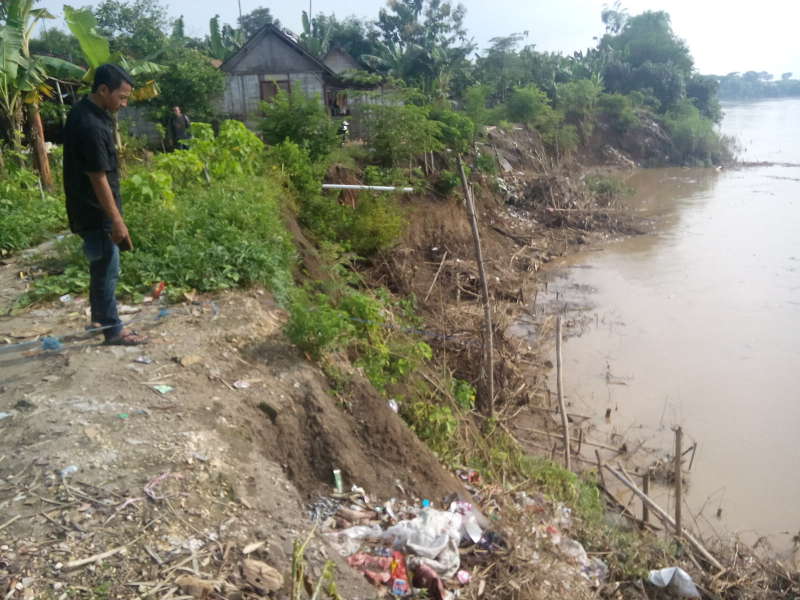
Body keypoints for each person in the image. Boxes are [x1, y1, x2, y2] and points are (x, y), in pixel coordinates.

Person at [63, 63, 147, 346]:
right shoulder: (90, 125)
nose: (123, 104)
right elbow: (98, 178)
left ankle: (100, 319)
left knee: (101, 268)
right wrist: (116, 220)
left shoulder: (85, 114)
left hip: (90, 210)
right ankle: (113, 329)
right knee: (107, 269)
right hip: (96, 212)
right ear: (103, 90)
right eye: (121, 97)